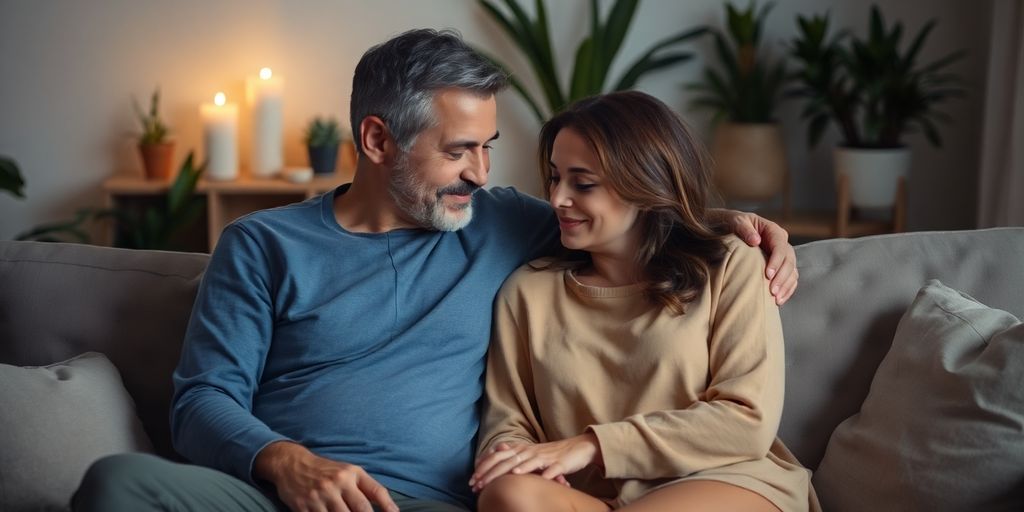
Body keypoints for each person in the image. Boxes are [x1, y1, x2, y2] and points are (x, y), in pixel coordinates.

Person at [73, 30, 799, 512]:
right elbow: (201, 402)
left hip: (420, 504)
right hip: (282, 497)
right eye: (459, 151)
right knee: (118, 483)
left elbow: (629, 208)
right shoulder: (262, 245)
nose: (482, 174)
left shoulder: (504, 221)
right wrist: (285, 462)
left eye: (488, 148)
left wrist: (729, 226)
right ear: (378, 138)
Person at [471, 91, 818, 512]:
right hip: (591, 499)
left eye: (583, 183)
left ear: (645, 184)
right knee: (508, 496)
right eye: (554, 177)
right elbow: (509, 421)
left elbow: (748, 421)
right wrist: (514, 459)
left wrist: (592, 445)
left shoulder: (732, 264)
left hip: (725, 481)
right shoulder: (527, 292)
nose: (558, 199)